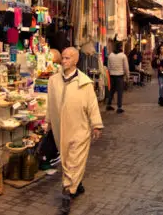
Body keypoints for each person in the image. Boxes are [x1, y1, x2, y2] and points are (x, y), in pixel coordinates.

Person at [46, 47, 104, 214]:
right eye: (62, 58)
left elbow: (92, 105)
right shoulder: (53, 81)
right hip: (60, 130)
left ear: (76, 61)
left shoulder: (85, 83)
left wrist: (96, 125)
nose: (63, 61)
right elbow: (50, 103)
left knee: (74, 159)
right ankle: (76, 185)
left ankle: (67, 193)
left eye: (67, 58)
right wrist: (48, 122)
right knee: (66, 160)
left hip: (80, 129)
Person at [105, 42, 129, 113]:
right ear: (121, 47)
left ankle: (108, 104)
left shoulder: (110, 55)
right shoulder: (123, 56)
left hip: (112, 76)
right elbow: (126, 67)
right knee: (119, 92)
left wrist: (110, 72)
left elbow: (108, 66)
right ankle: (119, 107)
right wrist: (127, 75)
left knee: (111, 91)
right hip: (119, 76)